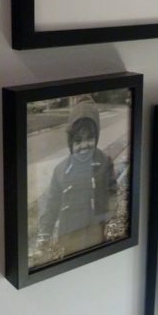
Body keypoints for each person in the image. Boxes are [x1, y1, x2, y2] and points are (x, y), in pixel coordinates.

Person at [35, 99, 117, 260]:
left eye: (90, 138)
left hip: (97, 232)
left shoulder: (105, 162)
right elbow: (51, 205)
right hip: (69, 235)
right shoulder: (61, 171)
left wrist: (110, 217)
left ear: (97, 137)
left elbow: (112, 191)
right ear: (70, 142)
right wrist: (44, 236)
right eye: (78, 140)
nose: (84, 145)